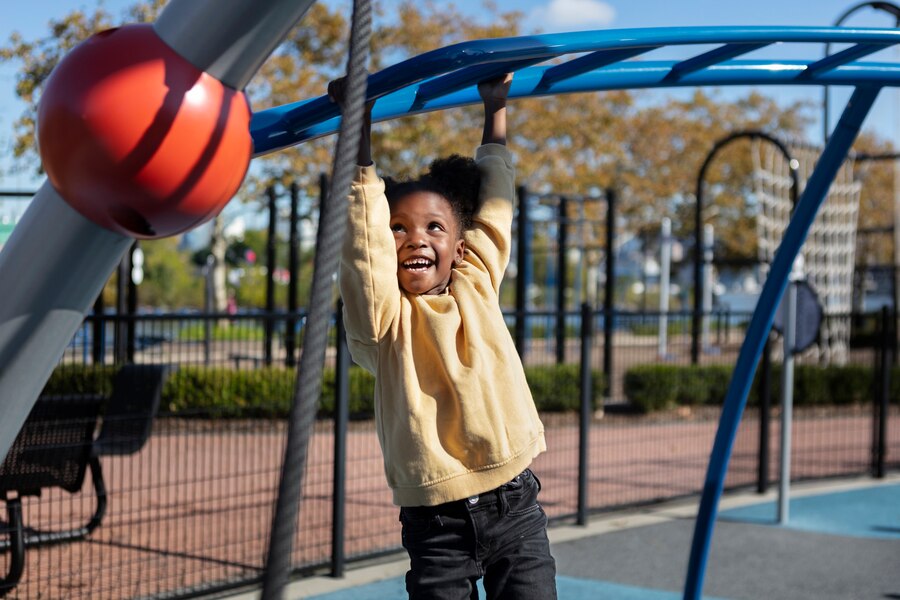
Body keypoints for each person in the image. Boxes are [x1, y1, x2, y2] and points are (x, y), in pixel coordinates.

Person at [330, 72, 557, 600]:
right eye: (400, 228)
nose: (416, 238)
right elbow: (362, 238)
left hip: (514, 505)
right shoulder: (384, 319)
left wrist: (495, 105)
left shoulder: (476, 281)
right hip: (436, 525)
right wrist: (357, 125)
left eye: (435, 227)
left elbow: (497, 206)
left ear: (460, 247)